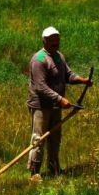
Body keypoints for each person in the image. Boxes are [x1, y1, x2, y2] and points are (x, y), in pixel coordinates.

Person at [26, 26, 92, 181]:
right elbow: (40, 86)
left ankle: (54, 168)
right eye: (52, 39)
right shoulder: (39, 60)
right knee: (38, 139)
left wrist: (82, 80)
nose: (55, 42)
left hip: (55, 106)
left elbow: (68, 75)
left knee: (55, 138)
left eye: (57, 39)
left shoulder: (59, 56)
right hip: (41, 106)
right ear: (44, 41)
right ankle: (34, 172)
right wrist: (60, 99)